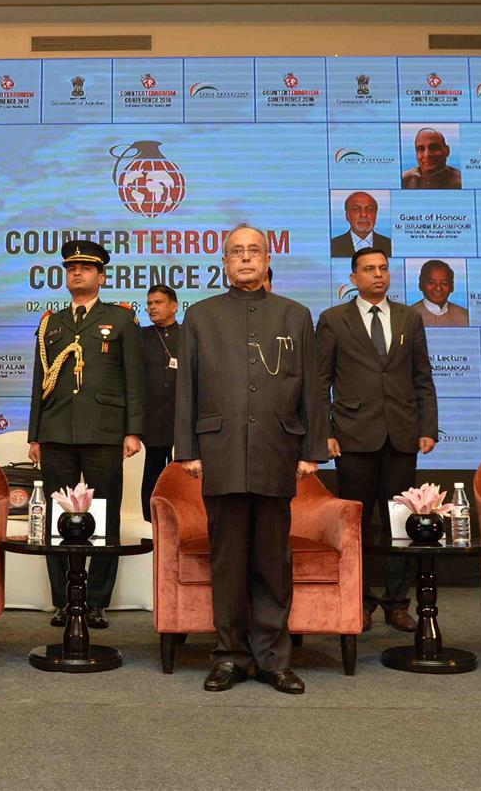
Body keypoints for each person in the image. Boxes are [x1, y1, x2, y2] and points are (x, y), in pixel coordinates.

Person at [175, 224, 327, 694]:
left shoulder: (295, 315)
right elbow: (188, 390)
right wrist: (188, 451)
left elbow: (312, 388)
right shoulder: (200, 316)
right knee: (228, 561)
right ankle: (230, 657)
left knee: (272, 561)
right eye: (236, 252)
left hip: (277, 452)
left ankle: (274, 658)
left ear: (267, 260)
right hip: (218, 453)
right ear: (224, 263)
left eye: (253, 251)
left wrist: (312, 450)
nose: (245, 259)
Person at [316, 249, 438, 633]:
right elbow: (320, 383)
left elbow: (422, 377)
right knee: (357, 523)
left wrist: (427, 427)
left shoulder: (409, 317)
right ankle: (360, 600)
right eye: (369, 269)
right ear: (353, 278)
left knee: (401, 523)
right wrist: (326, 433)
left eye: (383, 269)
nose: (378, 275)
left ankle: (398, 602)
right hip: (353, 436)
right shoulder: (333, 320)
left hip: (401, 433)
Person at [27, 240, 145, 630]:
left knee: (105, 519)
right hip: (57, 431)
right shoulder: (52, 324)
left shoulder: (122, 320)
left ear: (101, 276)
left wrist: (132, 431)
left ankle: (96, 601)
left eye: (86, 268)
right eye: (71, 268)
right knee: (57, 522)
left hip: (104, 431)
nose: (77, 273)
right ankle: (64, 600)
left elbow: (134, 380)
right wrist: (35, 434)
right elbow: (38, 384)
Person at [140, 283, 180, 520]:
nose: (152, 308)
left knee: (180, 480)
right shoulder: (140, 337)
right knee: (150, 476)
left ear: (174, 306)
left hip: (179, 422)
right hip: (150, 422)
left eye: (158, 303)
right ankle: (148, 526)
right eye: (149, 303)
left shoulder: (188, 336)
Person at [330, 191, 394, 257]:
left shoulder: (391, 245)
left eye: (370, 209)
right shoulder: (333, 245)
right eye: (356, 209)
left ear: (375, 214)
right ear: (347, 216)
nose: (364, 214)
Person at [409, 259, 470, 327]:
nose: (438, 288)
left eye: (444, 283)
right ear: (421, 284)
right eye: (431, 282)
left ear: (452, 286)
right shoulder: (409, 316)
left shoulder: (465, 315)